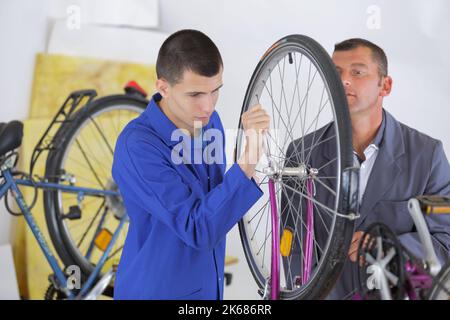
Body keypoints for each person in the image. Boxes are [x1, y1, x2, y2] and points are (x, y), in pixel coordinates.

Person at [112, 29, 270, 299]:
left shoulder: (211, 123)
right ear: (163, 88)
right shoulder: (137, 147)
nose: (208, 106)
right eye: (195, 94)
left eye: (215, 91)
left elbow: (215, 208)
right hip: (155, 291)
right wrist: (246, 163)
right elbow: (198, 228)